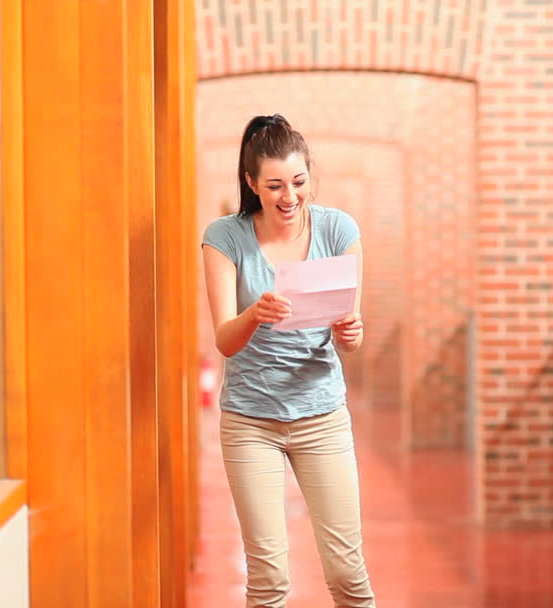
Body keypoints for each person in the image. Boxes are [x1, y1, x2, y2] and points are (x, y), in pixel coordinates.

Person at [202, 114, 376, 608]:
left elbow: (349, 337)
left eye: (298, 182)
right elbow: (224, 340)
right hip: (250, 422)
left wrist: (351, 332)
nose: (289, 197)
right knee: (269, 578)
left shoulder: (338, 229)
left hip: (322, 417)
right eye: (275, 185)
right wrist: (254, 314)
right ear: (251, 182)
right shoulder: (225, 237)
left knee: (347, 573)